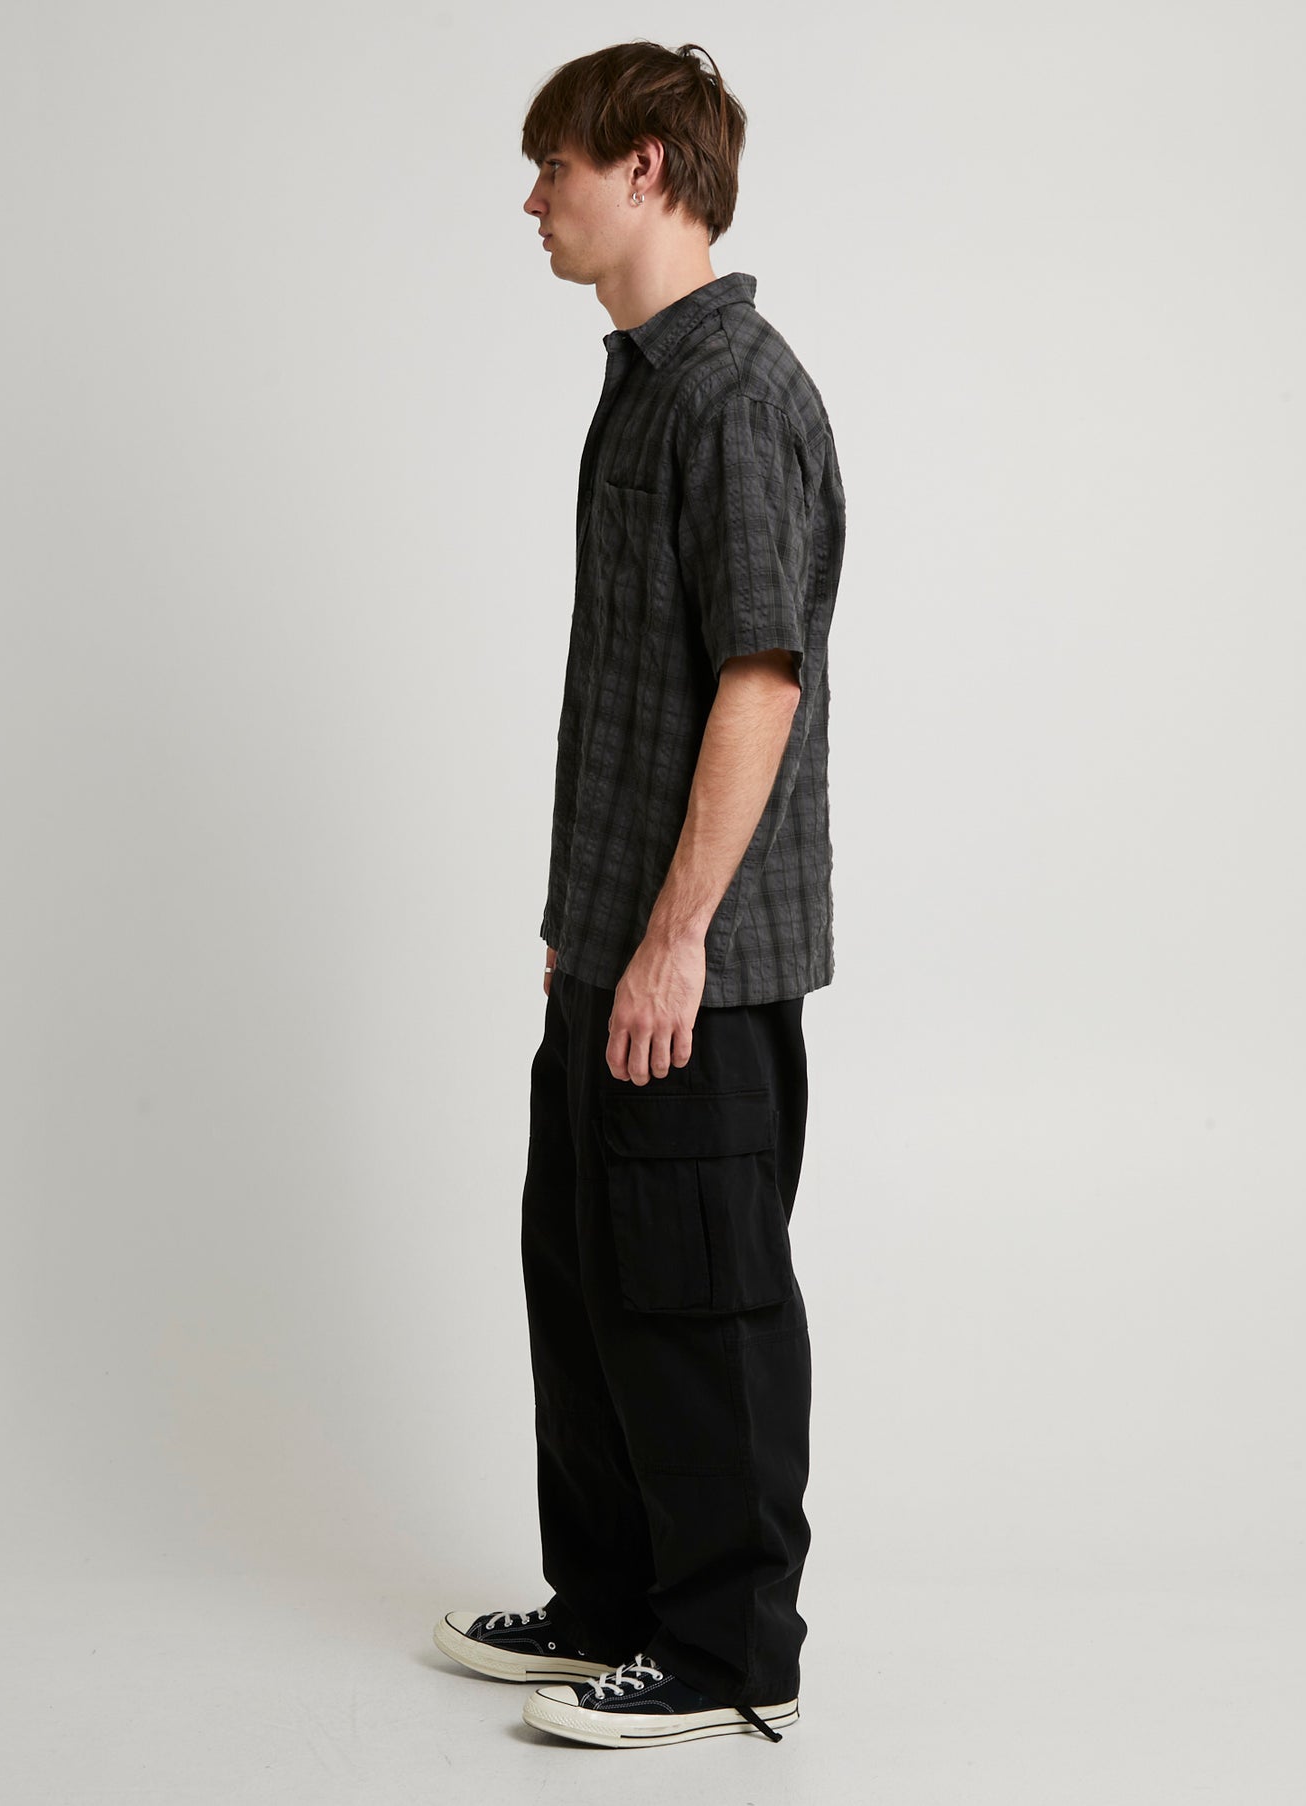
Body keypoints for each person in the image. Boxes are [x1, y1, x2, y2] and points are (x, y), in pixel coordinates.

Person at [433, 39, 846, 1750]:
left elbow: (759, 681)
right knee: (587, 1272)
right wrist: (587, 932)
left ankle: (731, 1648)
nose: (533, 199)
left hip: (701, 965)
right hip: (609, 947)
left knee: (699, 1300)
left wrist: (672, 941)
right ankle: (609, 1600)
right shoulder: (646, 382)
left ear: (647, 168)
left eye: (556, 165)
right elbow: (637, 697)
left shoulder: (732, 393)